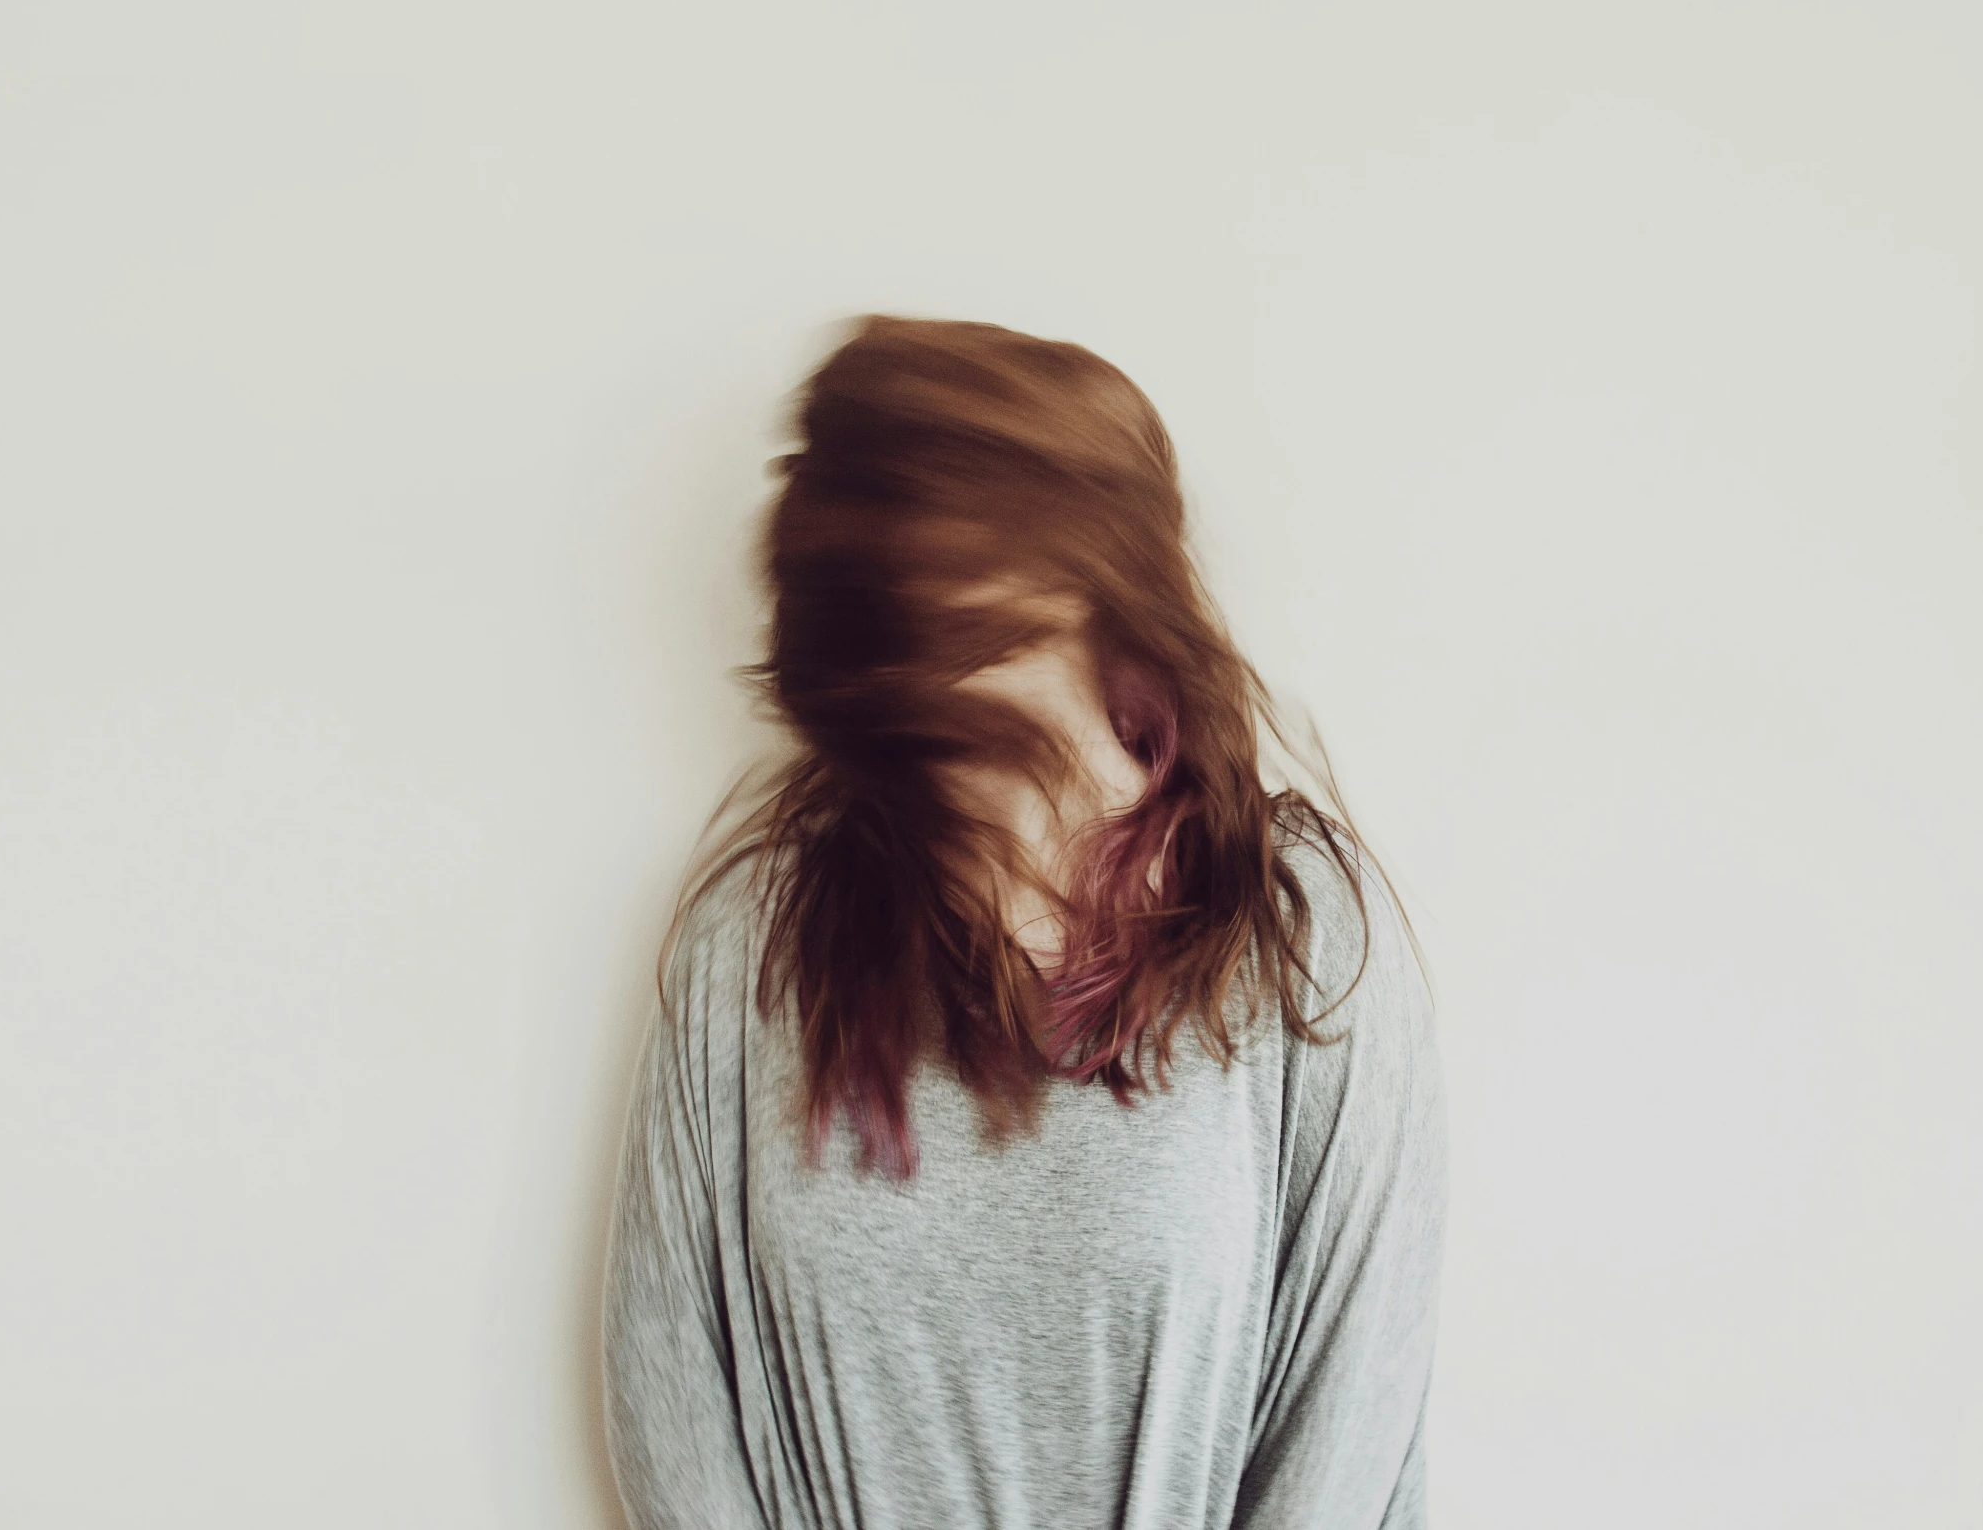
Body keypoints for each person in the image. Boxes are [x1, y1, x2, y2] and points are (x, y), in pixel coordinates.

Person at [602, 315, 1446, 1529]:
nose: (826, 557)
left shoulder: (1304, 935)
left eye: (903, 526)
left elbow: (1352, 1430)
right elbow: (664, 1378)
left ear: (1070, 566)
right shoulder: (758, 932)